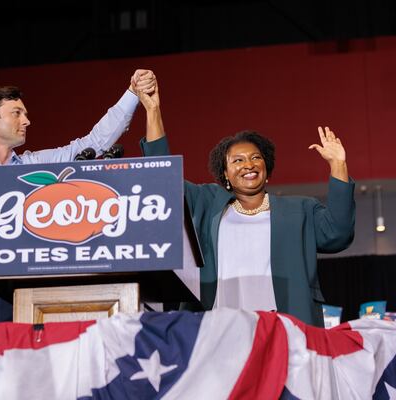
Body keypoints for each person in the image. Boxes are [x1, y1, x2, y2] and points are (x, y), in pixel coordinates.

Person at [0, 70, 157, 322]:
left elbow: (93, 143)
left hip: (39, 290)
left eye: (25, 114)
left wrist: (131, 94)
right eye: (17, 113)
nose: (27, 120)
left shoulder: (35, 167)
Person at [134, 75, 355, 327]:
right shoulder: (207, 202)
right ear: (225, 174)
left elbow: (339, 233)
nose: (248, 164)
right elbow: (163, 177)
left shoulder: (300, 210)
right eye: (237, 160)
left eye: (255, 158)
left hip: (286, 328)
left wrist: (339, 165)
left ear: (267, 167)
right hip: (219, 329)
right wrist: (153, 111)